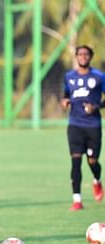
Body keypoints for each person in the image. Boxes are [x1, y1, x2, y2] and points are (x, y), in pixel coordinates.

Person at [61, 45, 105, 211]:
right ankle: (77, 200)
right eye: (80, 54)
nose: (83, 57)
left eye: (86, 54)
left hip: (93, 125)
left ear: (91, 56)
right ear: (76, 57)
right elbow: (66, 94)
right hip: (75, 125)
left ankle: (97, 180)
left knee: (92, 161)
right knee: (76, 161)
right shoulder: (69, 77)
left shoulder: (100, 77)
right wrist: (64, 101)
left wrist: (96, 106)